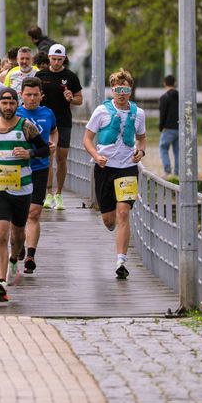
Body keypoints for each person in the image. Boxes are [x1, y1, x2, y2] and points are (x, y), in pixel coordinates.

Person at [0, 89, 52, 301]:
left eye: (11, 103)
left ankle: (13, 260)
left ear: (16, 104)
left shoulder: (26, 126)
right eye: (4, 103)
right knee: (0, 233)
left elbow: (44, 149)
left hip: (22, 188)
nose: (8, 107)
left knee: (18, 235)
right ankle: (1, 281)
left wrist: (30, 153)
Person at [83, 69, 147, 280]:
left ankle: (121, 260)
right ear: (112, 90)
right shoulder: (101, 111)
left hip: (127, 167)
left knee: (123, 213)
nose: (121, 93)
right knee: (109, 220)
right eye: (118, 89)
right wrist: (96, 155)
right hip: (104, 167)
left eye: (125, 89)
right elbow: (87, 139)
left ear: (130, 90)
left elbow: (142, 138)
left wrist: (141, 151)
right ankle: (112, 227)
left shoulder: (138, 113)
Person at [15, 77, 58, 275]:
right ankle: (19, 243)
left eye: (35, 95)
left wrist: (53, 143)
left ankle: (31, 255)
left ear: (42, 95)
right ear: (21, 95)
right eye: (28, 95)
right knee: (18, 216)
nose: (32, 99)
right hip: (17, 168)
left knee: (34, 213)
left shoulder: (48, 113)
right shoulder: (15, 113)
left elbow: (54, 131)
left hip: (40, 167)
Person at [35, 43, 84, 210]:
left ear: (64, 59)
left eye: (59, 59)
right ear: (49, 58)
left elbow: (80, 100)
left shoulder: (71, 76)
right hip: (44, 121)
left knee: (61, 158)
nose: (56, 62)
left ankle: (59, 194)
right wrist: (37, 98)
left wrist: (71, 98)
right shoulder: (40, 75)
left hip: (63, 121)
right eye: (53, 59)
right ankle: (47, 194)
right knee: (47, 157)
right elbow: (32, 96)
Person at [158, 75, 180, 176]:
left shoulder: (164, 97)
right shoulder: (181, 96)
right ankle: (177, 172)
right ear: (175, 83)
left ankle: (167, 170)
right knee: (178, 151)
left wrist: (161, 127)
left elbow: (163, 114)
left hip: (168, 128)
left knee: (163, 148)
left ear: (164, 83)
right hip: (179, 128)